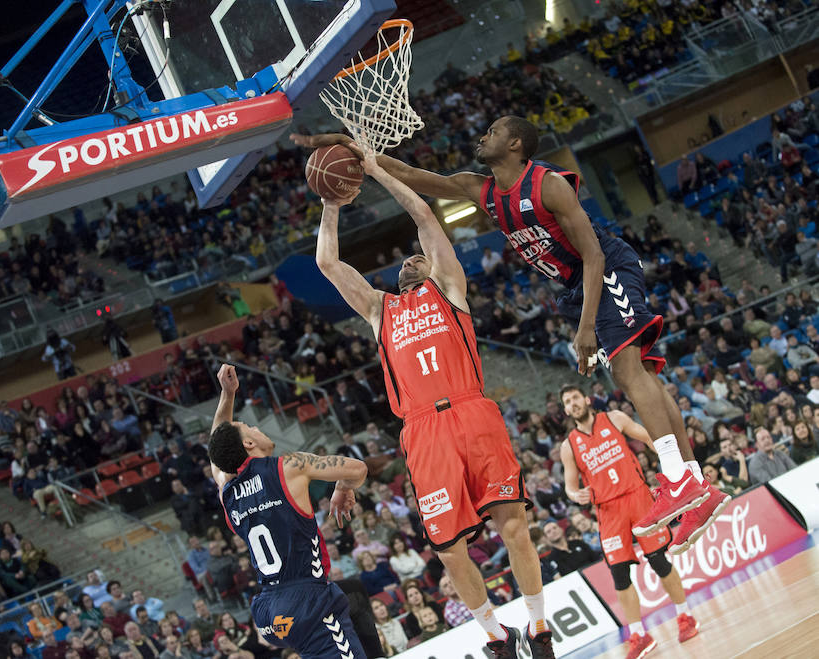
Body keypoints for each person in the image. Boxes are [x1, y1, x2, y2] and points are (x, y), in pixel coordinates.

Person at [295, 117, 727, 555]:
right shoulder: (480, 189)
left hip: (604, 269)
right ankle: (694, 484)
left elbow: (594, 254)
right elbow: (411, 176)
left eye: (495, 131)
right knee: (640, 376)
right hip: (574, 285)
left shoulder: (548, 186)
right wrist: (358, 155)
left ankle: (677, 478)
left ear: (516, 144)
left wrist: (584, 328)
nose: (483, 135)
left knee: (629, 370)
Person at [311, 145, 553, 659]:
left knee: (514, 526)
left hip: (471, 410)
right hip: (423, 431)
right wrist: (332, 199)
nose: (409, 260)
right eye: (403, 261)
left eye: (416, 256)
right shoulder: (381, 310)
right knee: (449, 550)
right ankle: (496, 636)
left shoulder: (449, 290)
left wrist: (377, 171)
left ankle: (540, 628)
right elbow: (327, 262)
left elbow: (422, 213)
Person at [208, 364, 369, 658]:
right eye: (251, 428)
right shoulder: (289, 467)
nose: (257, 428)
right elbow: (358, 469)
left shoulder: (227, 492)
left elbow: (217, 452)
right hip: (307, 599)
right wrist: (343, 487)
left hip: (270, 612)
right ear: (248, 443)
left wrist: (227, 395)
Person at [559, 385, 701, 657]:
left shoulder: (614, 418)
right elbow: (569, 485)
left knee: (659, 560)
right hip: (608, 510)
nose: (573, 403)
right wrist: (574, 494)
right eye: (567, 401)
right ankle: (639, 634)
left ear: (587, 399)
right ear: (566, 410)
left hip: (637, 497)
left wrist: (667, 459)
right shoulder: (569, 446)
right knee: (619, 574)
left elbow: (647, 436)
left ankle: (685, 616)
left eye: (576, 397)